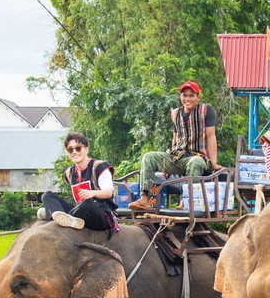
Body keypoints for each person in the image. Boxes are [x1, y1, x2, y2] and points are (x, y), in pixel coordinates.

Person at [128, 81, 223, 211]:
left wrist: (215, 163)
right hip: (178, 157)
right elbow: (175, 138)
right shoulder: (175, 113)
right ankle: (145, 199)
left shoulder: (205, 110)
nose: (187, 99)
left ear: (197, 97)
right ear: (181, 97)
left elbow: (211, 136)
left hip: (197, 158)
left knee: (195, 162)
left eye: (191, 95)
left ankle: (187, 201)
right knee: (148, 157)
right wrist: (168, 163)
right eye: (185, 95)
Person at [39, 132, 119, 235]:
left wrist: (92, 193)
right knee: (47, 195)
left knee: (88, 203)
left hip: (100, 213)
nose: (74, 152)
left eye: (78, 148)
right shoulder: (69, 173)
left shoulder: (100, 167)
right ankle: (62, 218)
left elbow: (109, 192)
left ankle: (53, 215)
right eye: (70, 149)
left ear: (86, 149)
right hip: (80, 212)